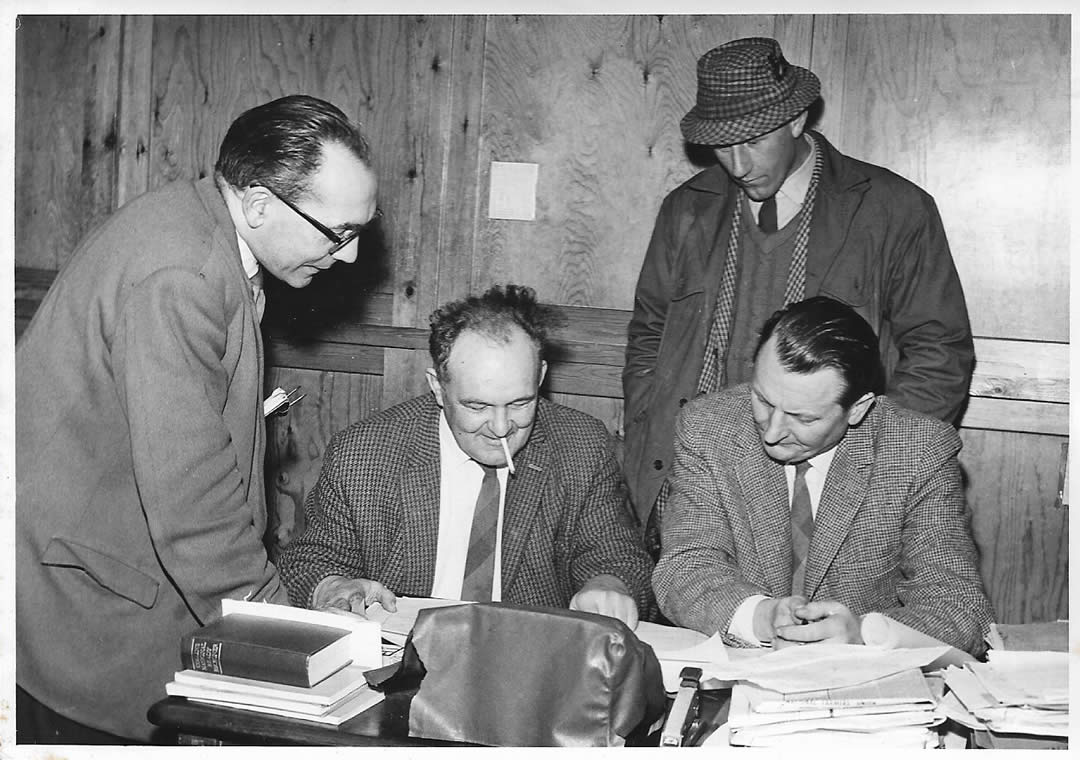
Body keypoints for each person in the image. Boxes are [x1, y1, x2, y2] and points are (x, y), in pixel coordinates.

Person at [16, 94, 379, 743]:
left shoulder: (200, 229)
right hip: (85, 622)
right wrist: (284, 636)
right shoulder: (181, 272)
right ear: (262, 202)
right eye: (338, 233)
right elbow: (193, 501)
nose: (350, 257)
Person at [623, 36, 974, 528]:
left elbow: (940, 353)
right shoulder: (684, 209)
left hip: (833, 475)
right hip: (698, 476)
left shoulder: (894, 209)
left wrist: (879, 461)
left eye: (753, 140)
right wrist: (650, 427)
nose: (738, 165)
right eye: (723, 144)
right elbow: (649, 336)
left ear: (796, 119)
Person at [278, 284, 653, 629]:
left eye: (521, 402)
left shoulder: (580, 446)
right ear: (437, 387)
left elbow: (617, 555)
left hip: (530, 664)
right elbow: (311, 558)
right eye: (477, 406)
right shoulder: (365, 452)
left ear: (540, 377)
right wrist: (332, 587)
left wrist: (609, 585)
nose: (502, 427)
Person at [653, 297, 993, 656]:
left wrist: (865, 634)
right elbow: (684, 568)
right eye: (764, 401)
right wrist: (761, 616)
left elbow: (961, 608)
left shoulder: (918, 451)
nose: (772, 432)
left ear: (857, 409)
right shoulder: (709, 427)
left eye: (804, 418)